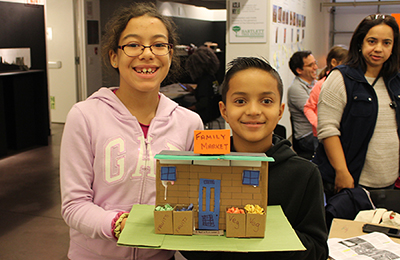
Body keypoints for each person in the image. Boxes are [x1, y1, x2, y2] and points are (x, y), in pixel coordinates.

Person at [59, 3, 203, 260]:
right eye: (133, 45)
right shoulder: (85, 116)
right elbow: (74, 206)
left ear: (170, 54)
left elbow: (191, 198)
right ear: (114, 56)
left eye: (159, 45)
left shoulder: (190, 123)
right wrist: (119, 224)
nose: (147, 54)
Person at [180, 57, 328, 260]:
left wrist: (259, 235)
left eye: (266, 101)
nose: (253, 111)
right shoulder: (205, 165)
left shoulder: (304, 174)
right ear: (224, 110)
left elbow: (317, 250)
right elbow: (189, 248)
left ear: (279, 111)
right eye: (240, 101)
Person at [313, 14, 400, 201]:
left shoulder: (396, 80)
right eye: (372, 41)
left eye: (386, 43)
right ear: (360, 43)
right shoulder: (341, 78)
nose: (378, 49)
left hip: (389, 182)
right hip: (351, 181)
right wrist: (342, 171)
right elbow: (327, 129)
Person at [304, 46, 348, 137]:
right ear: (334, 63)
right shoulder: (321, 84)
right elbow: (308, 108)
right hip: (322, 133)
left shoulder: (347, 84)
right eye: (346, 64)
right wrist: (319, 124)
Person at [288, 50, 319, 154]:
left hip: (316, 131)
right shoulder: (296, 89)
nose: (316, 68)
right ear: (299, 70)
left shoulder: (316, 83)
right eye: (311, 65)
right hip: (306, 137)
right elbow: (315, 110)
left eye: (315, 63)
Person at [183, 46, 221, 124]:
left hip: (205, 113)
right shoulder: (212, 77)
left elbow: (203, 103)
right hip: (214, 112)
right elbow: (208, 95)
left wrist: (186, 109)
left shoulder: (204, 81)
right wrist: (193, 91)